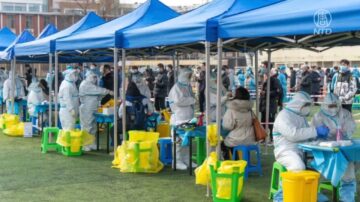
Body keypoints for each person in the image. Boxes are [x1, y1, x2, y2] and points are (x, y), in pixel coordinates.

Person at [272, 91, 330, 202]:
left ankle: (308, 193)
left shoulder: (300, 116)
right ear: (298, 104)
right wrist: (315, 131)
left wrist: (318, 137)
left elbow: (306, 134)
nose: (308, 108)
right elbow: (293, 134)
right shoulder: (283, 116)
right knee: (297, 167)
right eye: (306, 105)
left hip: (301, 150)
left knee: (319, 164)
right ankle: (282, 196)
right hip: (285, 151)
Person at [311, 93, 357, 202]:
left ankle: (347, 197)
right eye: (330, 106)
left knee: (348, 165)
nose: (333, 108)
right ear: (325, 105)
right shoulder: (318, 116)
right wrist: (325, 133)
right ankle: (312, 194)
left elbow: (351, 126)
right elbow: (314, 135)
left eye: (335, 105)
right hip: (324, 150)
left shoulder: (345, 114)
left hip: (343, 148)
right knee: (318, 167)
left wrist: (344, 131)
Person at [168, 67, 196, 170]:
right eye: (188, 75)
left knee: (187, 140)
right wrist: (191, 100)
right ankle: (177, 161)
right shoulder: (177, 87)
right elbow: (179, 101)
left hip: (188, 117)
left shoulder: (186, 86)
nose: (190, 77)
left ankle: (186, 159)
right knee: (178, 141)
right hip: (179, 118)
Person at [222, 87, 255, 159]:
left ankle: (234, 162)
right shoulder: (249, 109)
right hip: (250, 138)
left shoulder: (231, 109)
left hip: (236, 139)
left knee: (223, 143)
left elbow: (227, 126)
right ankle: (244, 160)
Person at [260, 69, 282, 144]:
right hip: (264, 106)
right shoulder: (265, 82)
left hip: (271, 105)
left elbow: (278, 91)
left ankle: (272, 139)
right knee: (263, 122)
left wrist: (266, 93)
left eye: (265, 75)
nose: (264, 76)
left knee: (271, 123)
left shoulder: (275, 81)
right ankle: (263, 138)